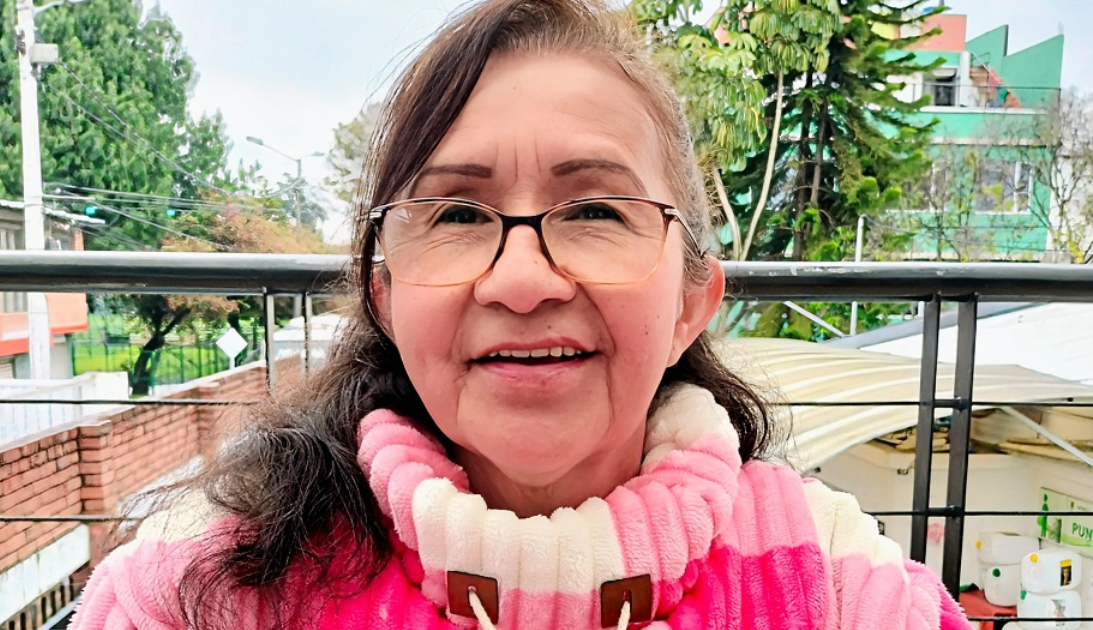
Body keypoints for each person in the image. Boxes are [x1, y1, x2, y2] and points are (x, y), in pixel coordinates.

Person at [70, 0, 972, 628]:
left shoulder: (835, 582)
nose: (523, 281)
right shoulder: (208, 587)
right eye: (458, 215)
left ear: (692, 301)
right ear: (386, 297)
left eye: (595, 211)